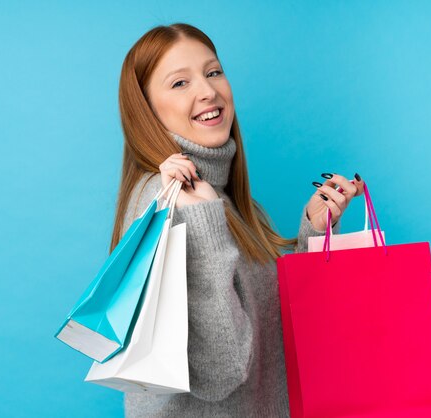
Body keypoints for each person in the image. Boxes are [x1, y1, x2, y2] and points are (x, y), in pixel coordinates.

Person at [109, 22, 363, 418]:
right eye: (179, 83)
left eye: (213, 72)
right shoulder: (161, 201)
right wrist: (204, 221)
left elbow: (270, 328)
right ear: (146, 110)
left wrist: (315, 230)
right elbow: (220, 372)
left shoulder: (228, 201)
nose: (208, 91)